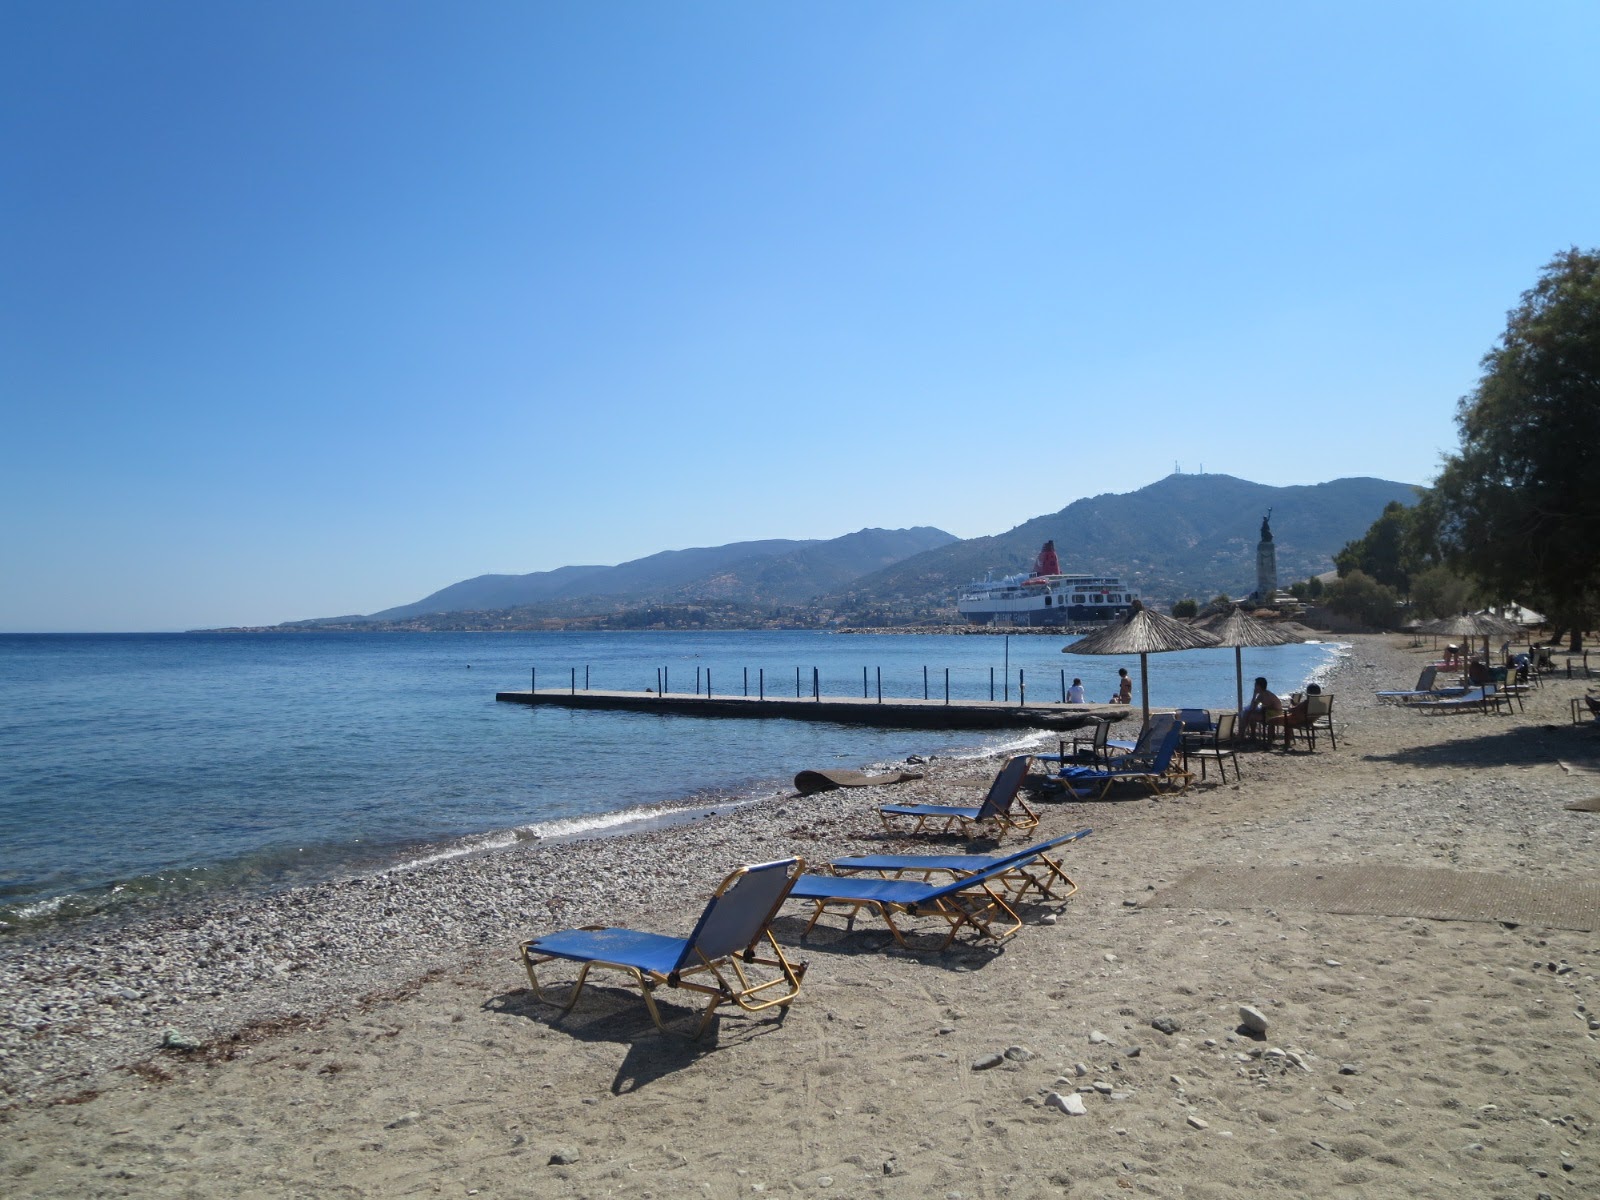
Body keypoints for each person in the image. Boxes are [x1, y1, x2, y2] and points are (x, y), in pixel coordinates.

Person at [1240, 676, 1282, 740]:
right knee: (1248, 713)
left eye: (1255, 685)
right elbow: (1252, 706)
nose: (1254, 687)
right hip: (1269, 712)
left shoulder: (1265, 695)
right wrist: (1254, 695)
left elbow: (1253, 707)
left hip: (1274, 714)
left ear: (1259, 686)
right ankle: (1248, 734)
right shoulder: (1263, 694)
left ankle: (1246, 735)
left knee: (1249, 715)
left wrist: (1254, 695)